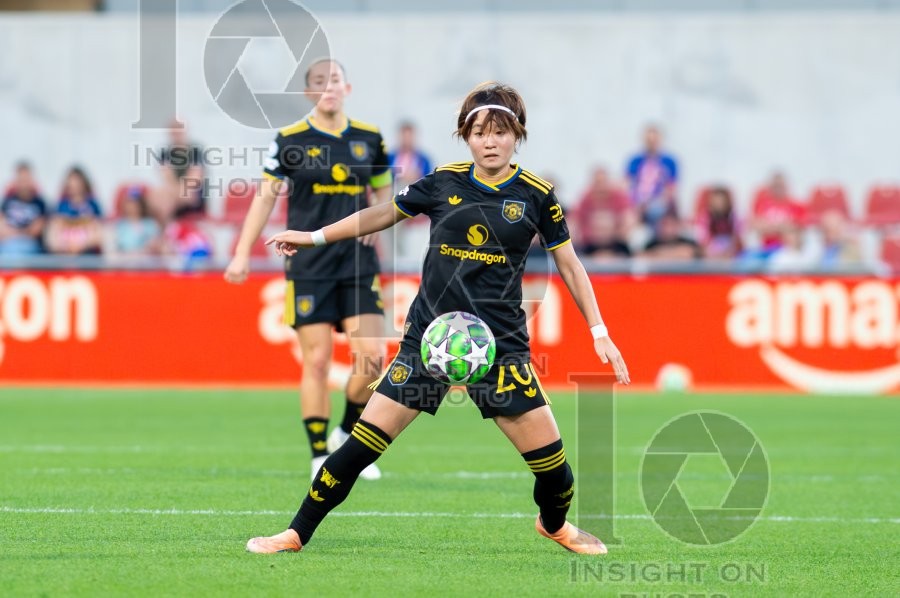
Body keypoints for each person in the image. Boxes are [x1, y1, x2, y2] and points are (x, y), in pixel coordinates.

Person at [247, 82, 630, 556]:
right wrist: (315, 236)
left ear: (517, 135)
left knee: (557, 474)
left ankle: (555, 526)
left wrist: (600, 332)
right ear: (464, 137)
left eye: (499, 132)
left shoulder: (537, 195)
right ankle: (295, 533)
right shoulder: (442, 182)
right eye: (478, 132)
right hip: (431, 341)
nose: (489, 142)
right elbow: (382, 214)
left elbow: (570, 264)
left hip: (501, 349)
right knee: (358, 447)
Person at [225, 58, 392, 482]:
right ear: (308, 93)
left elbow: (384, 188)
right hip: (309, 265)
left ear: (347, 88)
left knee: (373, 359)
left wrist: (381, 217)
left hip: (357, 262)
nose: (329, 87)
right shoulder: (290, 139)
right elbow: (265, 198)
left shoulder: (370, 139)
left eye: (335, 79)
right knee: (316, 361)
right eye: (320, 82)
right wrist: (242, 253)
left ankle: (344, 432)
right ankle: (319, 453)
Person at [625, 124, 678, 228]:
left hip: (659, 204)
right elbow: (626, 185)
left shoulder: (669, 161)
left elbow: (671, 189)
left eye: (654, 140)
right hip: (636, 204)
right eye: (649, 140)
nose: (652, 143)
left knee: (656, 210)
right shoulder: (635, 160)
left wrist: (651, 204)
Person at [44, 166, 103, 255]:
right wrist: (66, 246)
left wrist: (81, 245)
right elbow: (54, 230)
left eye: (77, 181)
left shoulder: (92, 205)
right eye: (71, 181)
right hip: (64, 250)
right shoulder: (61, 206)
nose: (74, 185)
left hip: (86, 250)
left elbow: (98, 231)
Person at [0, 162, 47, 256]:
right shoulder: (7, 201)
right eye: (20, 179)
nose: (23, 184)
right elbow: (2, 228)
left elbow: (36, 230)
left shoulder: (39, 203)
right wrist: (21, 234)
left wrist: (17, 234)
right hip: (8, 244)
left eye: (25, 179)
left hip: (31, 246)